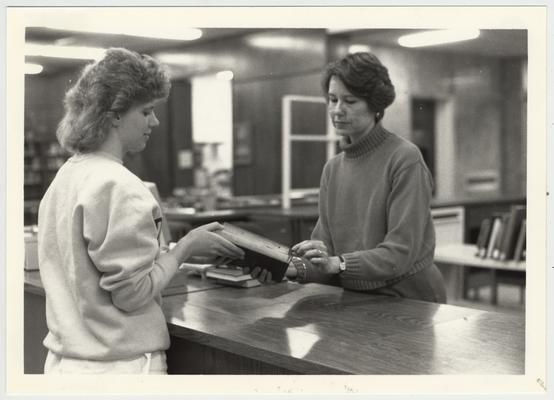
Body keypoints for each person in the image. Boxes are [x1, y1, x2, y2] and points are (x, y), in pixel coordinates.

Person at [37, 48, 244, 374]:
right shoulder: (119, 184)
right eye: (146, 111)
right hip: (120, 368)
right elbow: (131, 294)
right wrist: (186, 246)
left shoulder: (67, 175)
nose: (155, 121)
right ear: (116, 114)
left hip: (68, 365)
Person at [253, 52, 446, 303]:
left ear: (375, 105)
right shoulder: (333, 169)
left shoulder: (405, 158)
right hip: (355, 298)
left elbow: (400, 254)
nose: (337, 110)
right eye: (332, 100)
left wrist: (338, 264)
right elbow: (325, 258)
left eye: (350, 101)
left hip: (409, 300)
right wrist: (287, 269)